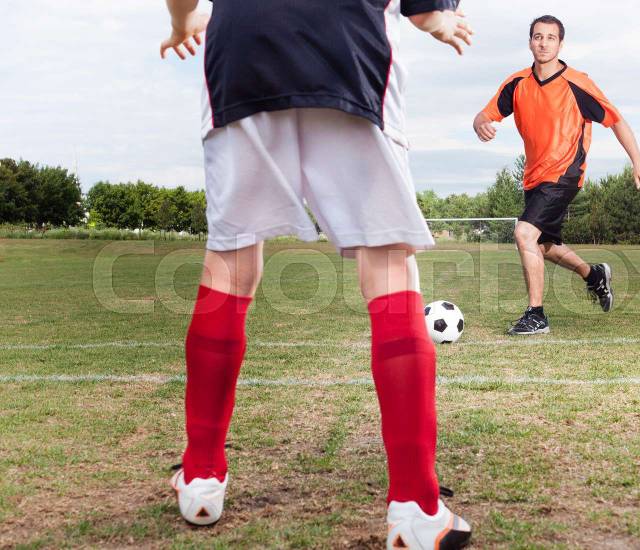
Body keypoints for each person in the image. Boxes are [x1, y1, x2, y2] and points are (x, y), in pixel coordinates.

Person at [159, 0, 473, 547]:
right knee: (389, 264)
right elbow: (425, 12)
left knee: (230, 262)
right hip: (348, 46)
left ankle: (202, 477)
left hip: (243, 48)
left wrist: (182, 21)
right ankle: (415, 509)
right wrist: (435, 14)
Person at [472, 15, 640, 335]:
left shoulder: (577, 83)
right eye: (538, 37)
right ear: (530, 41)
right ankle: (593, 275)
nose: (543, 43)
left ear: (560, 43)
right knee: (544, 246)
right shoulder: (517, 83)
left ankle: (536, 315)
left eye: (550, 38)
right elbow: (484, 114)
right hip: (534, 177)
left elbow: (616, 120)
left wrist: (638, 162)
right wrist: (480, 124)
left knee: (524, 234)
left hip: (565, 172)